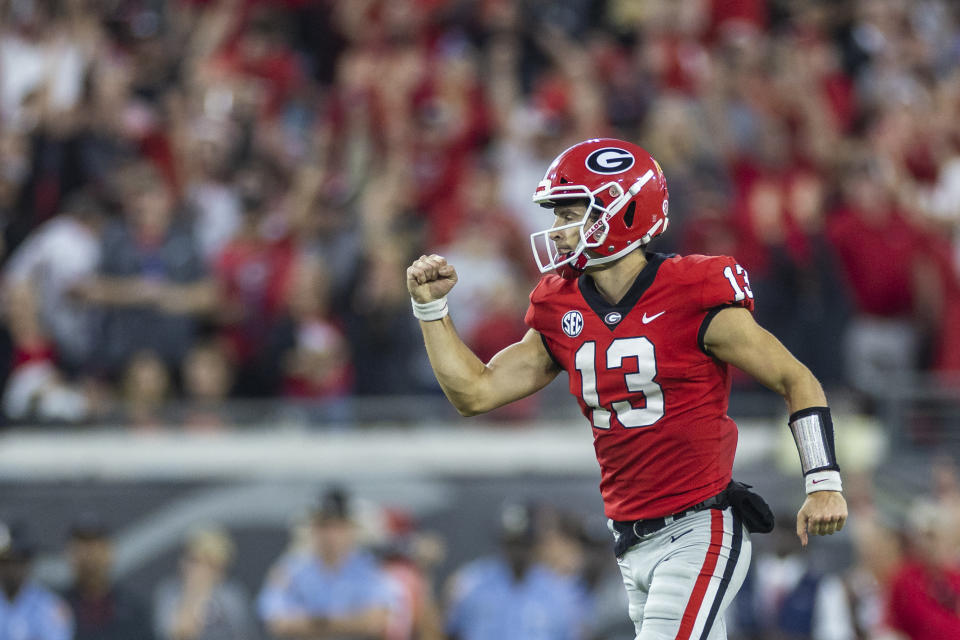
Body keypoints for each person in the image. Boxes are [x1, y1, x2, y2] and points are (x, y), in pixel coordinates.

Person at [405, 138, 848, 639]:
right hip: (629, 539)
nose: (557, 230)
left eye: (569, 212)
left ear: (623, 210)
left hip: (699, 527)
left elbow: (796, 379)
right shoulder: (560, 305)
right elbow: (475, 393)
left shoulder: (693, 291)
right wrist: (431, 311)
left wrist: (823, 480)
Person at [257, 487, 400, 639]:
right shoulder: (290, 568)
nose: (331, 535)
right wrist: (351, 620)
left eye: (338, 527)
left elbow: (376, 622)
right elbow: (278, 623)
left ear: (352, 530)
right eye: (324, 526)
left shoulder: (370, 569)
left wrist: (315, 622)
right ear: (312, 529)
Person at [445, 503, 587, 640]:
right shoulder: (471, 582)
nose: (519, 552)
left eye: (524, 543)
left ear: (535, 545)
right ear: (502, 543)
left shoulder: (557, 591)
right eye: (513, 543)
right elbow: (451, 632)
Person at [153, 527, 258, 640]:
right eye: (194, 561)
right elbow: (178, 634)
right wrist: (193, 594)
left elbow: (242, 633)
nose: (200, 569)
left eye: (209, 563)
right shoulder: (169, 593)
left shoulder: (230, 595)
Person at [62, 515, 153, 640]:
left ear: (110, 553)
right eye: (82, 547)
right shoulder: (54, 607)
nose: (89, 556)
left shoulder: (133, 610)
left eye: (95, 546)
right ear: (70, 554)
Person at [0, 520, 74, 640]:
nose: (11, 569)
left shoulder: (50, 606)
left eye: (18, 562)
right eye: (6, 562)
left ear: (28, 563)